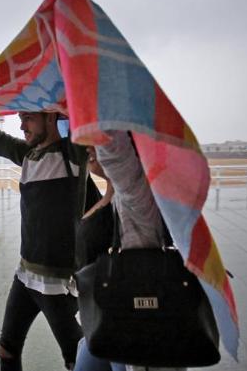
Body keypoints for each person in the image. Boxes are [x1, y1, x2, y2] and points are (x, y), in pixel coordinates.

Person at [0, 100, 87, 371]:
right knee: (7, 350)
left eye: (28, 118)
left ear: (50, 117)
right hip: (25, 276)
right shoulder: (27, 154)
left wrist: (62, 95)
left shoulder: (72, 154)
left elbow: (80, 109)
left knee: (76, 359)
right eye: (20, 118)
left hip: (56, 281)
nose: (22, 125)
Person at [73, 130, 185, 371]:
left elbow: (115, 152)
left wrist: (91, 105)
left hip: (135, 323)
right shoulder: (115, 195)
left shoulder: (136, 195)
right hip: (103, 321)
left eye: (98, 142)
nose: (89, 148)